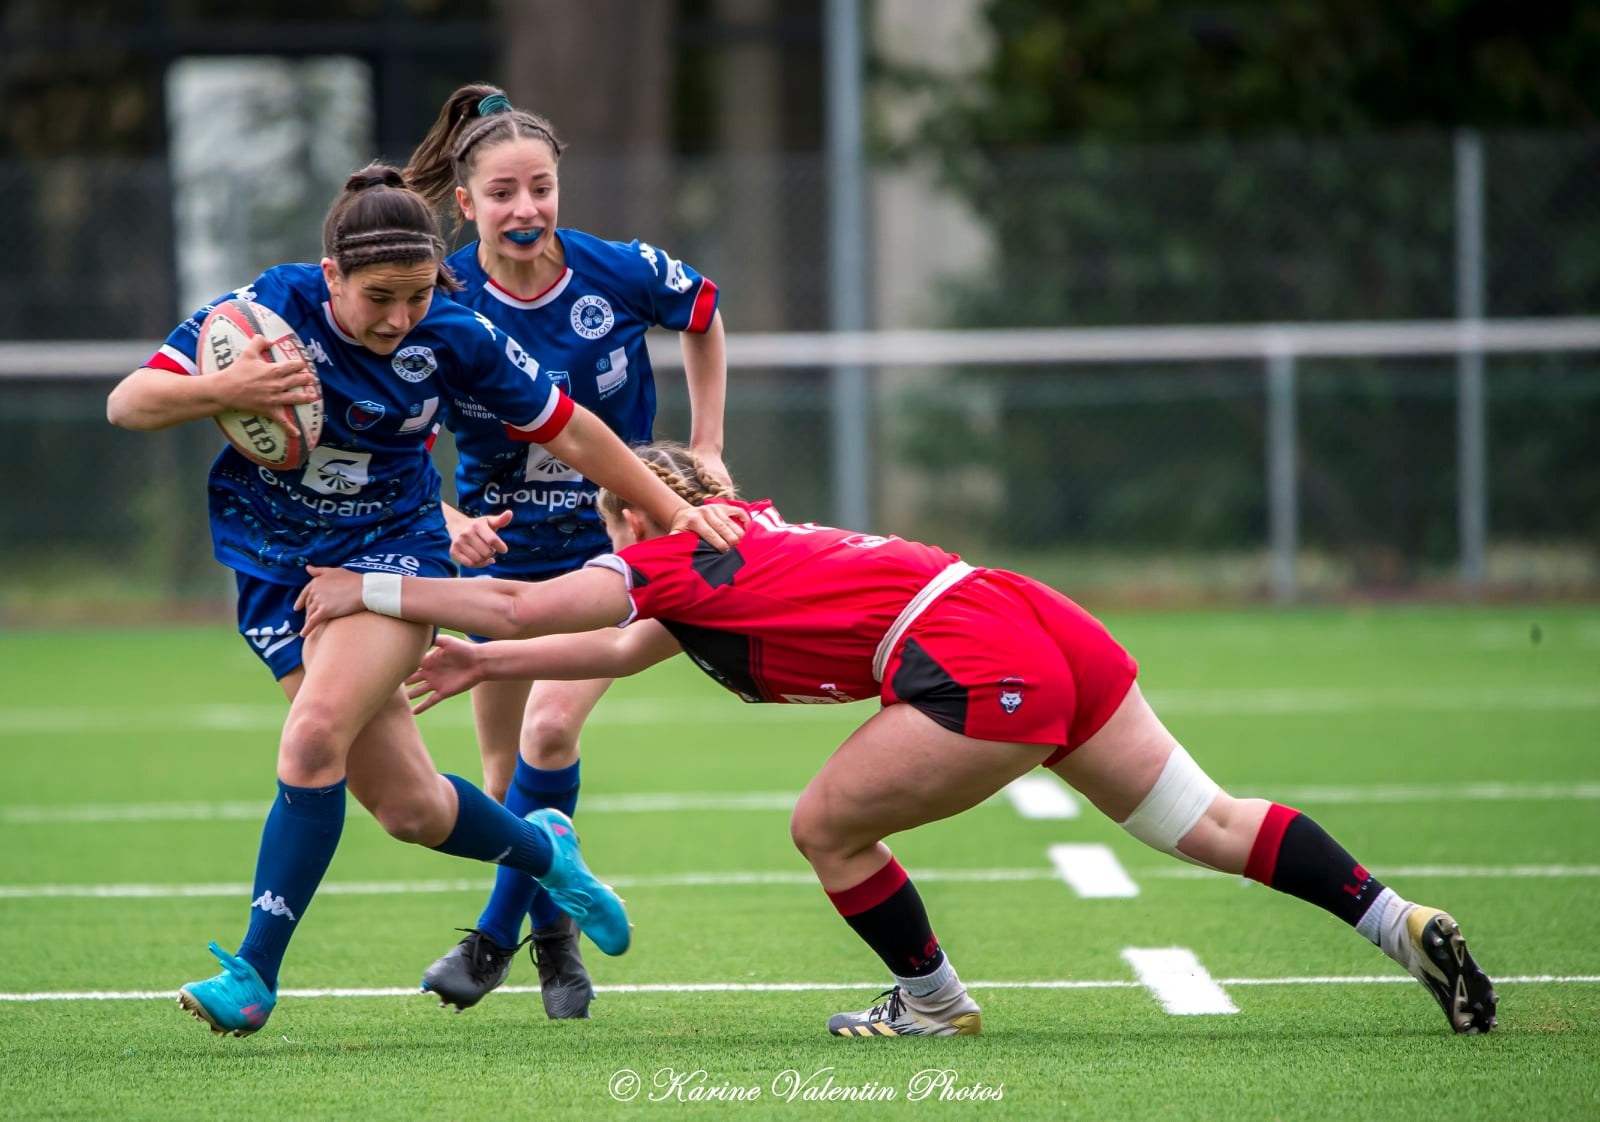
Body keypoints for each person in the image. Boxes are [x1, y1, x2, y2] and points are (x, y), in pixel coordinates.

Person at [296, 442, 1499, 1039]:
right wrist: (484, 666)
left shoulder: (670, 553)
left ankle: (930, 1001)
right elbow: (611, 651)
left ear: (634, 508)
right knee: (1211, 822)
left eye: (615, 513)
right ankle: (1398, 923)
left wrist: (371, 589)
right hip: (1029, 615)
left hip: (969, 656)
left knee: (824, 827)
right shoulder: (742, 532)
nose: (613, 535)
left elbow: (523, 605)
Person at [105, 171, 746, 1038]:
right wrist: (224, 392)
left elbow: (572, 428)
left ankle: (253, 974)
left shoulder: (454, 331)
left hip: (391, 551)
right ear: (330, 276)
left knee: (314, 735)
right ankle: (546, 851)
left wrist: (673, 510)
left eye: (416, 295)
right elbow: (129, 402)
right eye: (379, 298)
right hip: (271, 564)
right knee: (410, 809)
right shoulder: (267, 312)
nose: (399, 317)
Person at [396, 83, 730, 1019]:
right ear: (466, 202)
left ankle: (489, 939)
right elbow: (393, 423)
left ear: (559, 187)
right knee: (504, 782)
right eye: (502, 192)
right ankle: (555, 945)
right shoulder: (441, 297)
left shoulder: (616, 272)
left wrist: (706, 445)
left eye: (539, 187)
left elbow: (703, 314)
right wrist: (447, 514)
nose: (525, 208)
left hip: (612, 552)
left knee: (548, 731)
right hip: (498, 559)